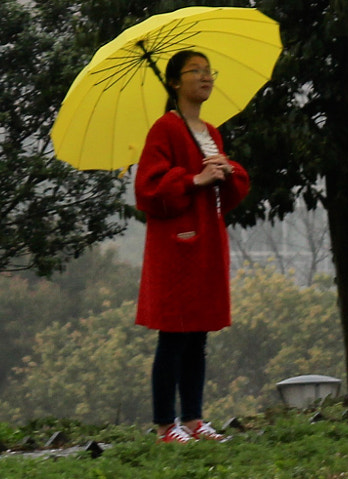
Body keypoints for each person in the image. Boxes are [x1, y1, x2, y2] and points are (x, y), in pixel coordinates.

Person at [134, 49, 251, 443]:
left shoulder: (211, 132)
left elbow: (228, 194)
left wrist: (225, 173)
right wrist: (193, 179)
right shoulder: (164, 130)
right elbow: (148, 188)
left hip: (206, 245)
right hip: (176, 249)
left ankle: (194, 419)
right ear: (174, 82)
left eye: (208, 71)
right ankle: (166, 426)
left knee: (198, 334)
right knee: (174, 335)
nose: (205, 78)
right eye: (195, 71)